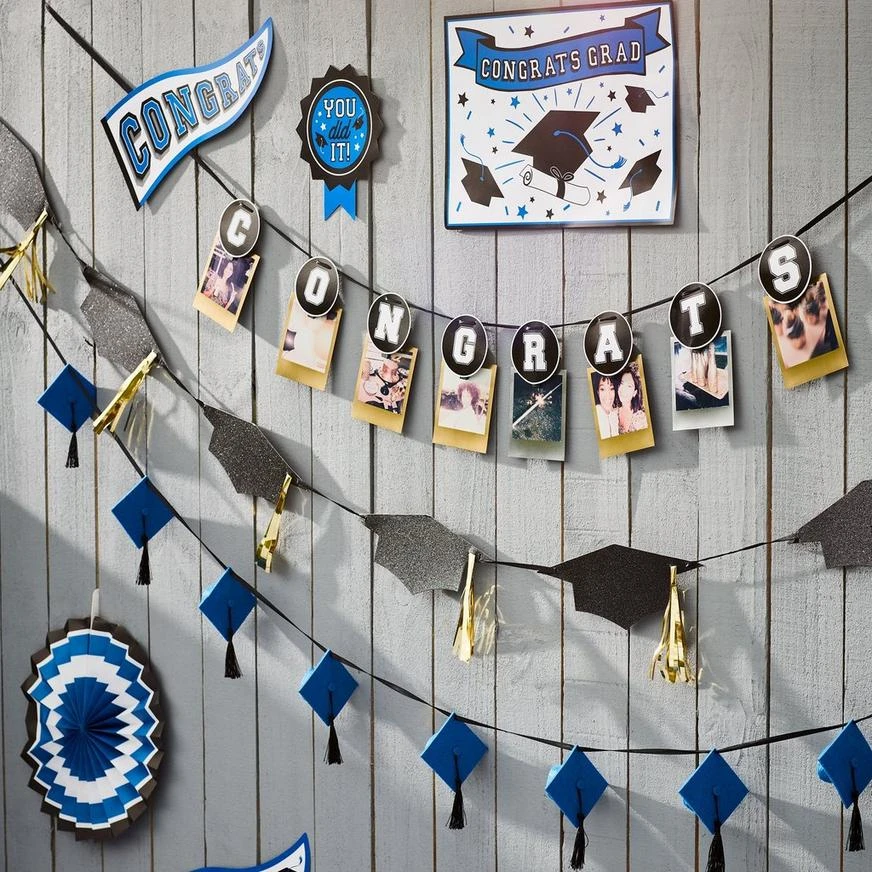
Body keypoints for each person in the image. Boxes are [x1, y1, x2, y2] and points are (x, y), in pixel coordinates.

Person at [616, 366, 648, 433]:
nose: (624, 390)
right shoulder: (614, 412)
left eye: (629, 386)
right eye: (622, 384)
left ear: (634, 393)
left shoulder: (641, 418)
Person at [591, 371, 619, 438]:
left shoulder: (614, 415)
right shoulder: (595, 414)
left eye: (611, 388)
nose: (608, 395)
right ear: (598, 392)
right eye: (602, 389)